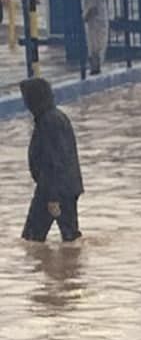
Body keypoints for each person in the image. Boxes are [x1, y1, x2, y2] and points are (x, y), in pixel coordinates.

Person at [20, 78, 83, 243]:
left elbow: (54, 162)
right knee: (70, 238)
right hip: (66, 188)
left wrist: (52, 198)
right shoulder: (54, 117)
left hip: (52, 190)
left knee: (31, 240)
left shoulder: (49, 122)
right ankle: (72, 267)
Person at [82, 0, 111, 75]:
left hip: (96, 19)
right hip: (96, 20)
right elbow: (92, 5)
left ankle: (95, 66)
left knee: (95, 43)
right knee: (97, 43)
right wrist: (88, 17)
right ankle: (95, 66)